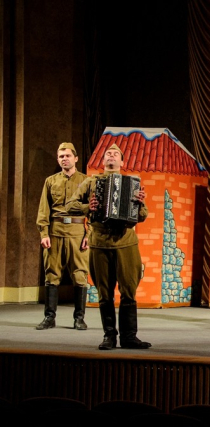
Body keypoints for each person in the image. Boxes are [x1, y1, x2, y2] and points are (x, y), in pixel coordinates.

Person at [66, 144, 151, 350]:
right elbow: (69, 205)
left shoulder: (132, 183)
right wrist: (88, 207)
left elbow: (142, 216)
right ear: (103, 161)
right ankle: (109, 336)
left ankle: (129, 337)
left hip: (126, 242)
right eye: (108, 154)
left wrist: (139, 203)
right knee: (104, 292)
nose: (111, 156)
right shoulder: (91, 182)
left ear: (122, 161)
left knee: (129, 290)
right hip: (100, 243)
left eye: (115, 154)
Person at [35, 142, 89, 330]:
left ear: (76, 158)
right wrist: (44, 233)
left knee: (80, 274)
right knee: (51, 274)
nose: (64, 159)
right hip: (55, 231)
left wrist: (88, 234)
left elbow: (92, 210)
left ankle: (79, 318)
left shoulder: (86, 181)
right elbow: (43, 209)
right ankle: (49, 318)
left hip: (77, 232)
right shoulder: (50, 181)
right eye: (61, 156)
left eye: (67, 155)